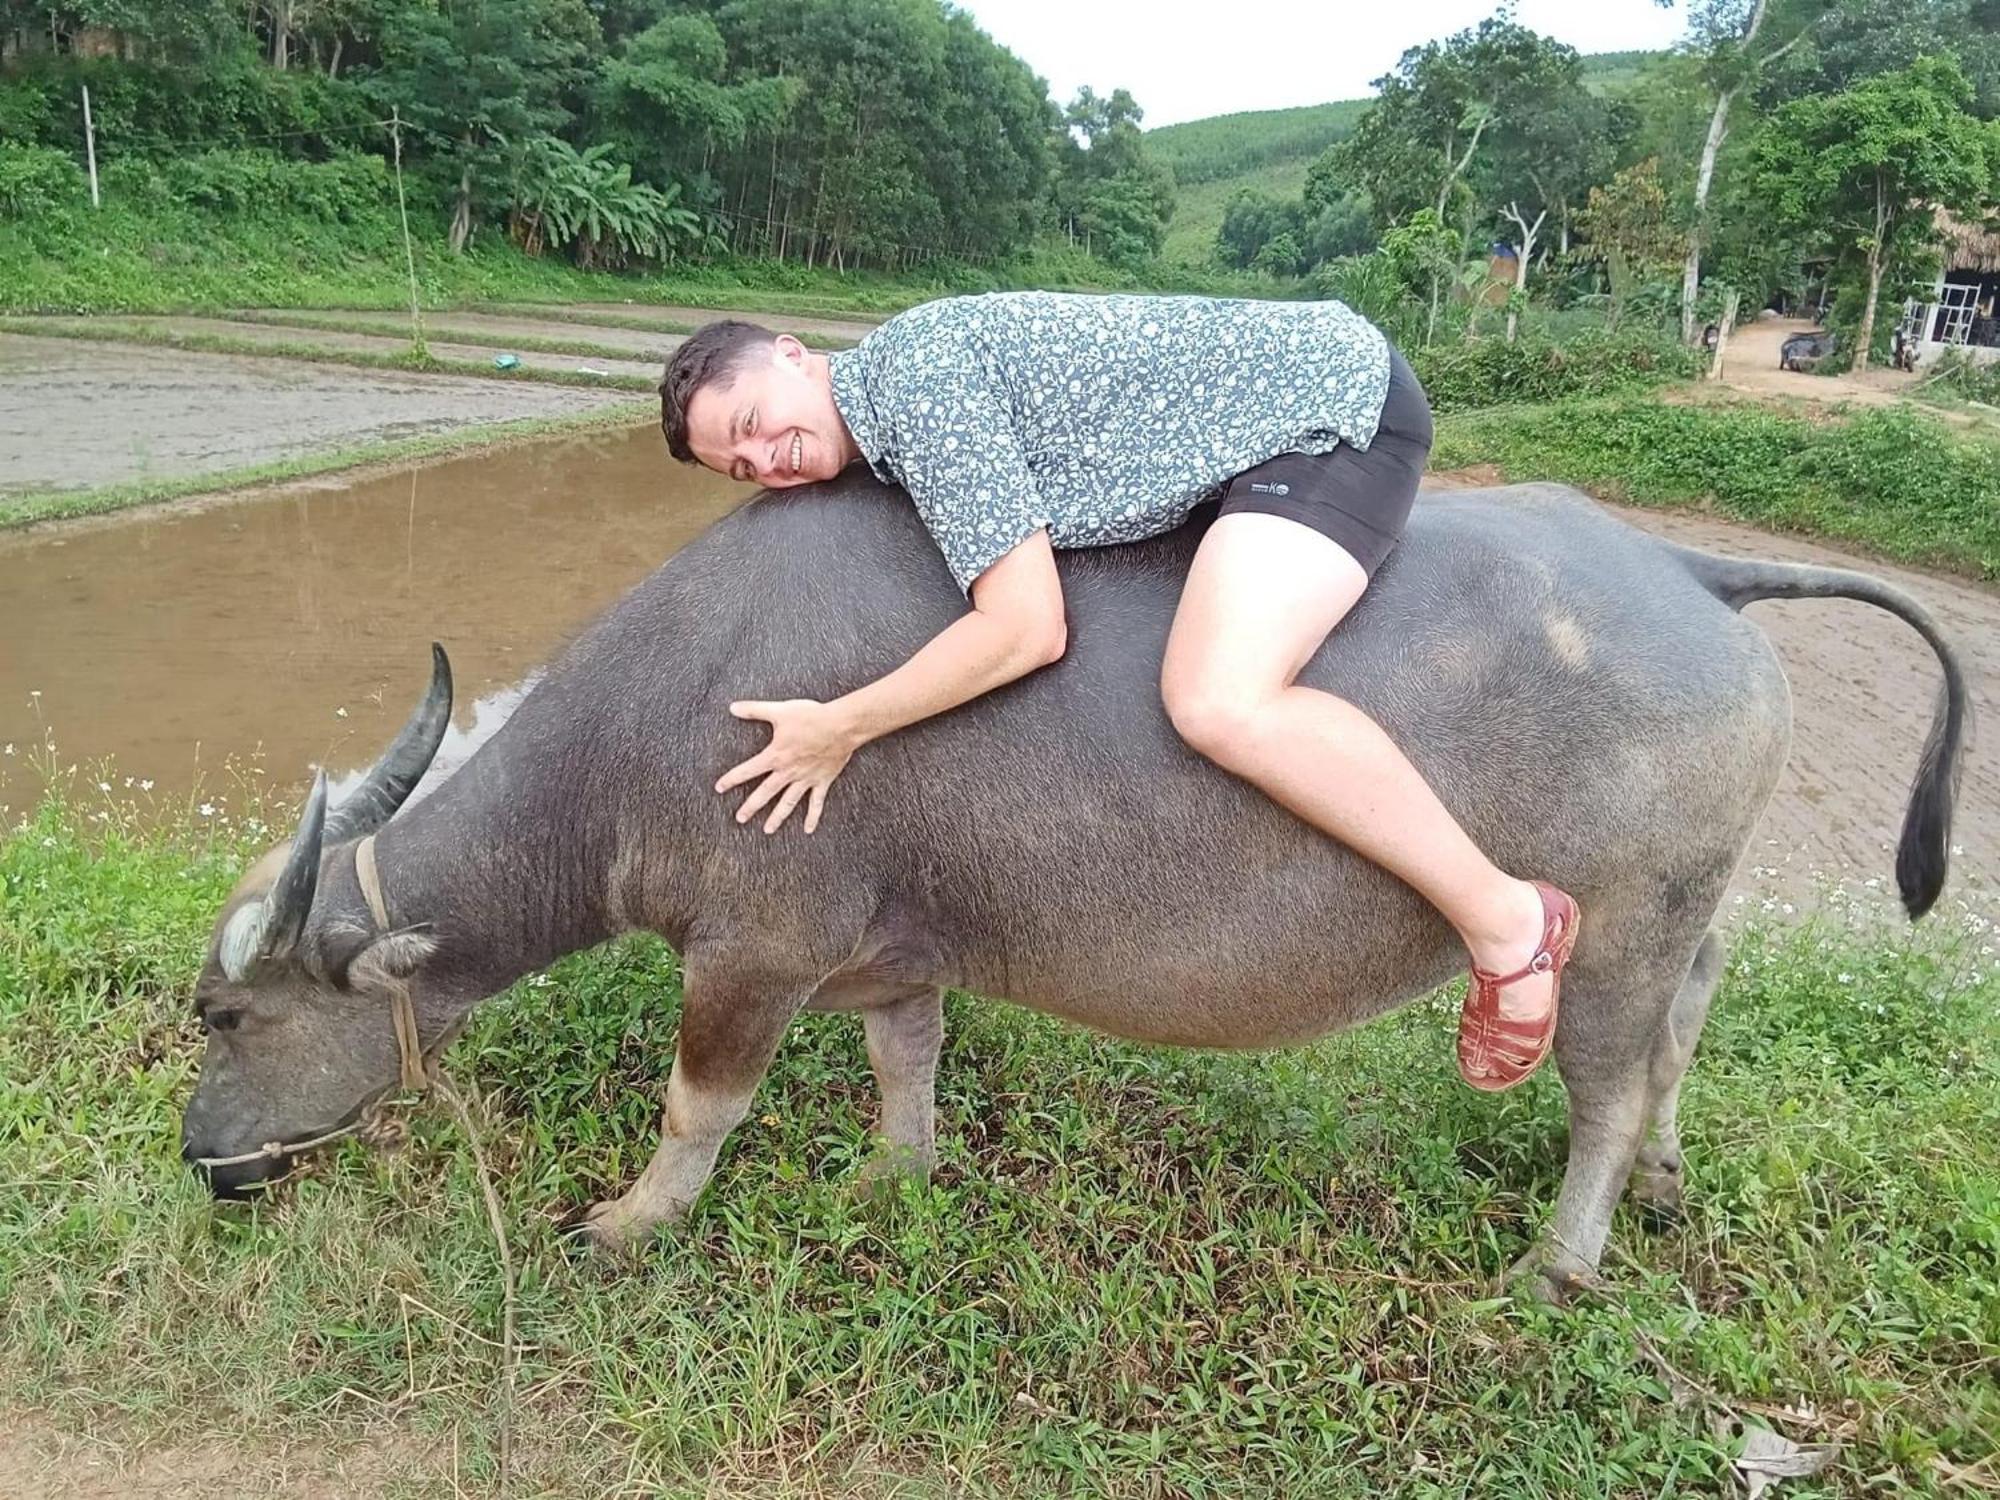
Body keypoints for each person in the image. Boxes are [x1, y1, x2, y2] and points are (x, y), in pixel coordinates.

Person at [657, 291, 1578, 1092]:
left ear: (791, 355)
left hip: (1330, 414)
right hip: (1244, 431)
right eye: (741, 469)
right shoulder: (887, 420)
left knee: (1219, 697)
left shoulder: (912, 385)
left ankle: (1508, 922)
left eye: (751, 425)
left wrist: (843, 725)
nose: (768, 461)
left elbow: (1026, 628)